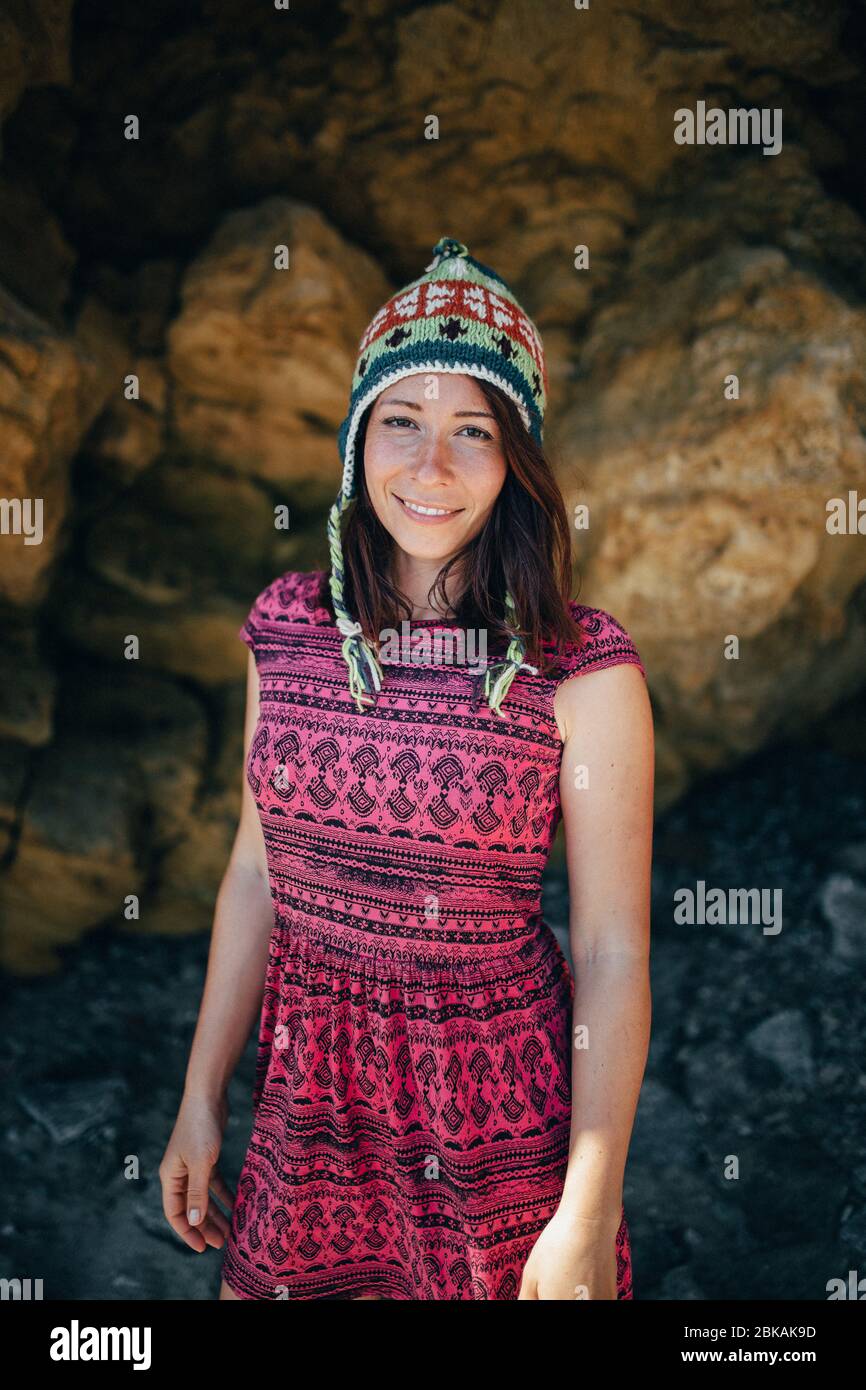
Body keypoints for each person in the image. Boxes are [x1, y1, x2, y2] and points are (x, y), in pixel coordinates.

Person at [160, 237, 654, 1300]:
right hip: (310, 1114)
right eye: (402, 422)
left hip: (496, 1131)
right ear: (355, 439)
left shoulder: (581, 671)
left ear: (514, 457)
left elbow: (611, 952)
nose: (429, 468)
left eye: (470, 431)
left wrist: (589, 1202)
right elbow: (255, 876)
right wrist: (201, 1093)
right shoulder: (284, 631)